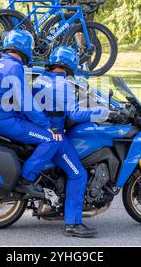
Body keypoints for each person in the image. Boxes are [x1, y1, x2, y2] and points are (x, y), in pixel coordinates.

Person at [32, 45, 109, 238]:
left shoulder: (42, 79)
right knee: (78, 174)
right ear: (70, 64)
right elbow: (74, 112)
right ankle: (73, 223)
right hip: (56, 138)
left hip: (40, 132)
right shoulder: (63, 84)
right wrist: (100, 112)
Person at [0, 29, 63, 198]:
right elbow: (25, 102)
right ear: (25, 47)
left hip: (0, 117)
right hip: (7, 120)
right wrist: (47, 125)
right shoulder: (14, 67)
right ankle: (26, 180)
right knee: (51, 139)